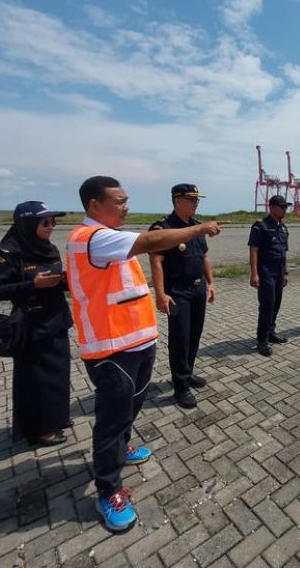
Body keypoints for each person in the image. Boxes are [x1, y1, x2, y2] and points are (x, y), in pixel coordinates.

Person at [66, 176, 222, 532]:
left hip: (136, 342)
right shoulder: (92, 237)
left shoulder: (106, 239)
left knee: (131, 408)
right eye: (119, 201)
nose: (126, 207)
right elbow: (153, 243)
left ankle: (123, 447)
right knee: (111, 420)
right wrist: (199, 230)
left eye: (126, 200)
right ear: (94, 206)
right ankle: (108, 490)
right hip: (111, 349)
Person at [0, 201, 72, 447]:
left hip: (56, 321)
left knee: (58, 376)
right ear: (28, 223)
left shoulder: (47, 248)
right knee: (37, 381)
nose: (51, 226)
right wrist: (32, 285)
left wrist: (65, 282)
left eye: (54, 221)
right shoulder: (8, 253)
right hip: (31, 326)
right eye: (46, 222)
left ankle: (56, 419)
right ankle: (38, 431)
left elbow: (53, 280)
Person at [148, 184, 215, 410]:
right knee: (180, 339)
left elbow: (204, 256)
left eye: (197, 200)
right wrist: (160, 294)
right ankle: (180, 387)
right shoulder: (163, 228)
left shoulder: (196, 227)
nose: (196, 204)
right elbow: (156, 261)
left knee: (194, 335)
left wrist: (211, 283)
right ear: (177, 201)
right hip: (177, 292)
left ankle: (188, 373)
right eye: (191, 199)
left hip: (197, 289)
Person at [248, 194, 290, 357]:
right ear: (271, 207)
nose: (285, 210)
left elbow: (283, 251)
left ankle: (271, 332)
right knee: (267, 305)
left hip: (278, 271)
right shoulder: (261, 226)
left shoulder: (283, 227)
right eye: (282, 207)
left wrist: (285, 271)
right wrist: (254, 274)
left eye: (286, 207)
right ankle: (262, 340)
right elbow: (253, 249)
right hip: (265, 271)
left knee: (276, 303)